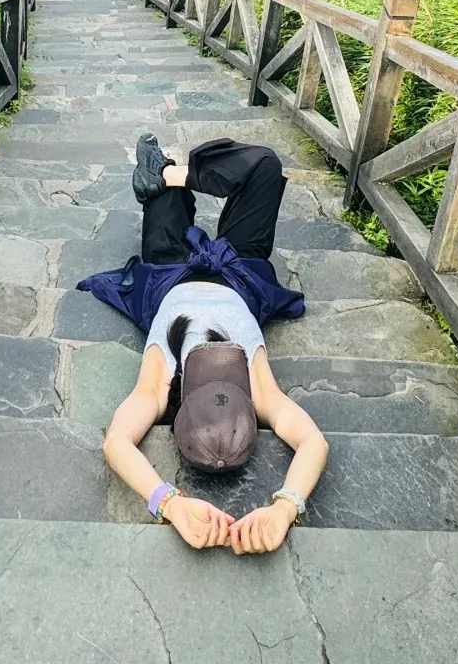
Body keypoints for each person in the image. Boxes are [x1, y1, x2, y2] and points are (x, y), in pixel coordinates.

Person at [79, 136, 327, 553]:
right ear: (247, 405)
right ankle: (172, 174)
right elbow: (313, 442)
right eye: (226, 384)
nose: (218, 364)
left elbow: (117, 443)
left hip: (169, 267)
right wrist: (285, 507)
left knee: (164, 198)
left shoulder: (160, 383)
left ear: (186, 395)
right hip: (239, 268)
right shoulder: (260, 389)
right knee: (264, 165)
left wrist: (169, 503)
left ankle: (162, 175)